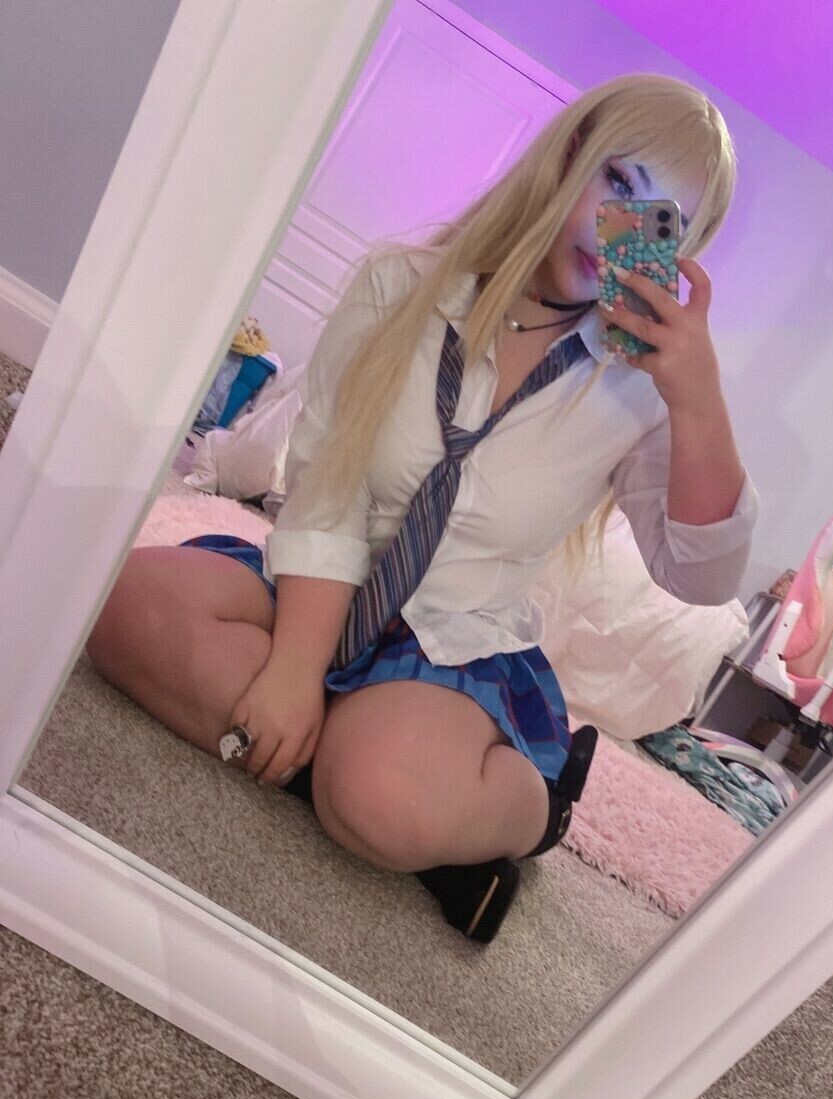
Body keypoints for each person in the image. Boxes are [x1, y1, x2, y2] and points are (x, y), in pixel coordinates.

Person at [85, 73, 759, 943]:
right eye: (620, 181)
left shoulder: (643, 391)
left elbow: (702, 578)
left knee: (382, 793)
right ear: (569, 155)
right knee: (127, 606)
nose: (618, 229)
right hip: (324, 586)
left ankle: (535, 803)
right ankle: (369, 787)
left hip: (457, 642)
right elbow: (328, 487)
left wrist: (699, 399)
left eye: (662, 219)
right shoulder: (399, 284)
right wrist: (294, 668)